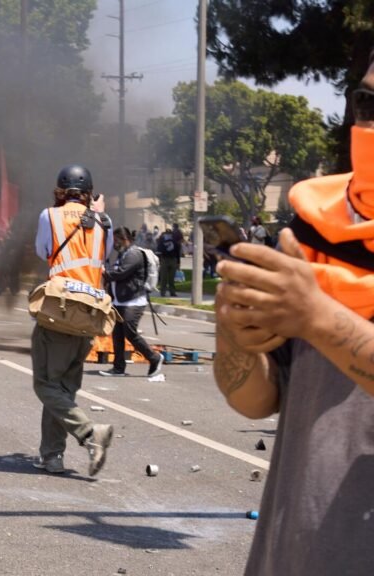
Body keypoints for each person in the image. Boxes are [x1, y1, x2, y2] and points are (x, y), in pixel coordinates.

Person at [211, 61, 374, 575]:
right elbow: (255, 399)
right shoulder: (319, 232)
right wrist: (234, 327)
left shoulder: (311, 299)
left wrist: (317, 316)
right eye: (367, 104)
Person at [31, 164, 115, 476]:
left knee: (45, 384)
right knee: (63, 388)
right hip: (90, 314)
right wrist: (98, 215)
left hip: (59, 310)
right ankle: (52, 456)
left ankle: (90, 433)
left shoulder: (49, 216)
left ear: (60, 190)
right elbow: (103, 256)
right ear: (90, 193)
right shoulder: (105, 221)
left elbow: (42, 251)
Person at [99, 227, 164, 377]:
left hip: (133, 302)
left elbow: (121, 273)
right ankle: (118, 368)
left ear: (124, 239)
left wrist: (104, 273)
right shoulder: (124, 254)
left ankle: (154, 358)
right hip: (120, 301)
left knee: (130, 334)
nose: (114, 244)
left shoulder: (134, 254)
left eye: (116, 240)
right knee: (117, 336)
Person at [155, 225, 180, 297]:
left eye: (169, 234)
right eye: (167, 234)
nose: (168, 235)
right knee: (164, 277)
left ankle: (172, 292)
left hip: (173, 259)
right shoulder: (161, 242)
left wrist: (178, 262)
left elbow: (177, 252)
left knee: (171, 278)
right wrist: (159, 260)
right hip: (164, 259)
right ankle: (163, 292)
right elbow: (159, 251)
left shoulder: (174, 242)